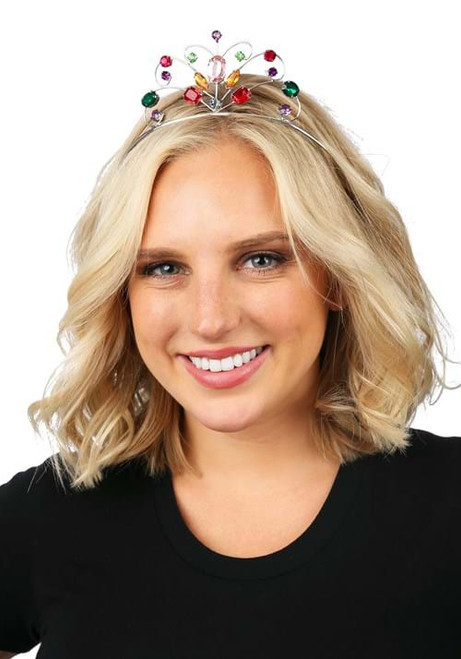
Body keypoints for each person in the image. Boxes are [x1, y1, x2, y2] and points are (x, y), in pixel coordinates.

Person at [1, 30, 460, 658]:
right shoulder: (47, 519)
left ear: (340, 278)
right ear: (121, 295)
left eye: (261, 259)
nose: (210, 319)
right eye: (163, 268)